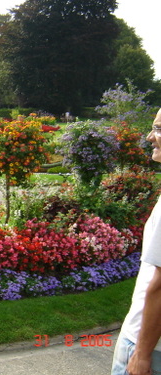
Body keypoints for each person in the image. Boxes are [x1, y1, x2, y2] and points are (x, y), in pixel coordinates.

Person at [111, 108, 161, 375]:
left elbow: (160, 286)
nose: (150, 136)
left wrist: (141, 355)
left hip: (148, 346)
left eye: (159, 129)